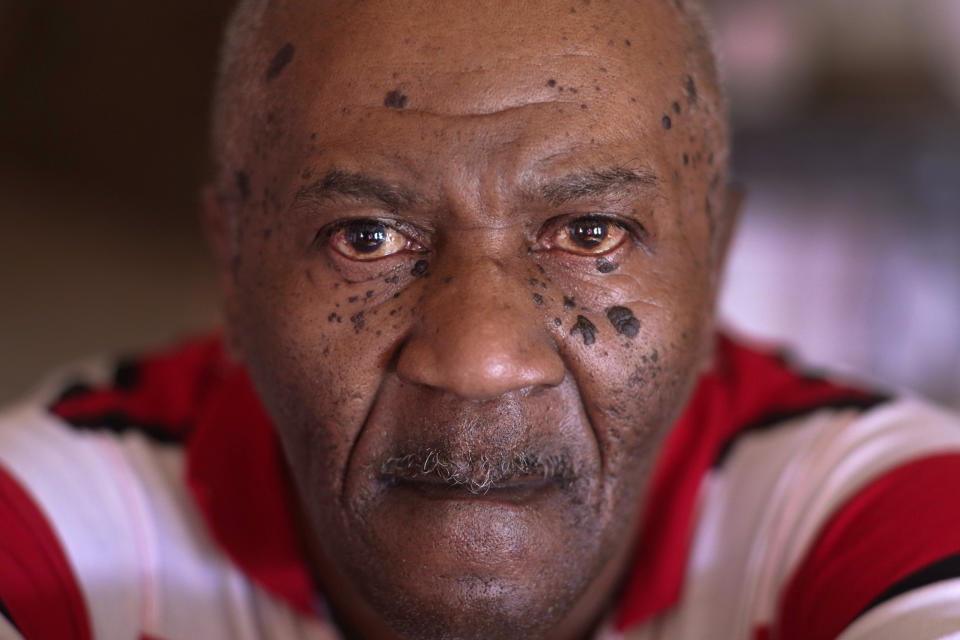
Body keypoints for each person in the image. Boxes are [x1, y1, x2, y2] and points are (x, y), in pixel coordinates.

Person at [2, 1, 959, 639]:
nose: (479, 359)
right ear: (235, 268)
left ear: (713, 273)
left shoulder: (875, 510)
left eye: (591, 233)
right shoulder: (70, 515)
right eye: (366, 238)